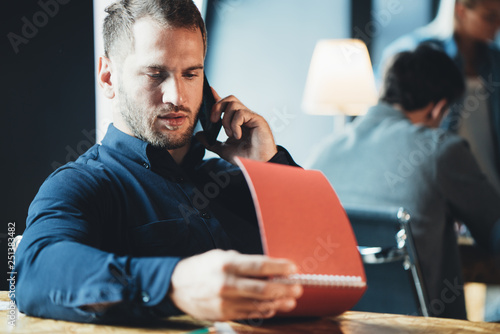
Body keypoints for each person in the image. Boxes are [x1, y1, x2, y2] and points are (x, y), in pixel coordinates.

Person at [13, 0, 303, 324]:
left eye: (191, 74)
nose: (176, 97)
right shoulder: (84, 183)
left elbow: (336, 265)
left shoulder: (240, 180)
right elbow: (35, 271)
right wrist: (175, 283)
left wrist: (270, 167)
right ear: (108, 78)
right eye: (155, 74)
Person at [307, 45, 500, 319]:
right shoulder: (441, 149)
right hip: (418, 326)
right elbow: (494, 227)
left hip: (336, 321)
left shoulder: (322, 152)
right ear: (439, 108)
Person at [377, 0, 500, 194]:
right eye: (490, 17)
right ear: (461, 10)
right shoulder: (417, 53)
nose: (498, 25)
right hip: (440, 185)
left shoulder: (495, 61)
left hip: (489, 184)